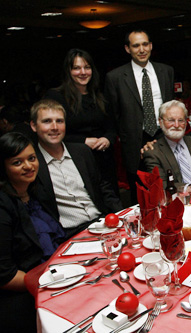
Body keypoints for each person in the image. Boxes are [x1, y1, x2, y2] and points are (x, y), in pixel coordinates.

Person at [0, 132, 65, 331]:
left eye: (32, 158)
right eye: (17, 162)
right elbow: (5, 275)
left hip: (55, 276)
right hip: (23, 295)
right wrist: (51, 285)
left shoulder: (36, 190)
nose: (29, 166)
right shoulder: (3, 206)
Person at [30, 99, 123, 238]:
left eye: (60, 121)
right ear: (33, 126)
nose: (54, 127)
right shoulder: (33, 163)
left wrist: (123, 215)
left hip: (103, 224)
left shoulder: (82, 152)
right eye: (47, 121)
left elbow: (103, 188)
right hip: (69, 234)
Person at [105, 29, 174, 203]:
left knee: (169, 188)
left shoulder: (166, 71)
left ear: (151, 46)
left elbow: (171, 106)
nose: (141, 49)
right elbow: (113, 114)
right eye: (136, 45)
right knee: (141, 197)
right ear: (128, 49)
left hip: (163, 136)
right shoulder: (115, 77)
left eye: (145, 44)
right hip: (135, 142)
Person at [45, 49, 119, 194]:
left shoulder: (100, 97)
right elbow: (50, 133)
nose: (83, 72)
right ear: (69, 71)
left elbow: (111, 127)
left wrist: (107, 139)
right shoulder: (56, 97)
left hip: (103, 160)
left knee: (110, 202)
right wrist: (83, 141)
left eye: (87, 67)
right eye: (77, 68)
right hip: (74, 160)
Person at [143, 100, 191, 189]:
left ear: (186, 122)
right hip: (175, 200)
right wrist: (188, 188)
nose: (176, 125)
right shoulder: (153, 152)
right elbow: (160, 184)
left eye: (180, 120)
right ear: (160, 122)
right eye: (171, 120)